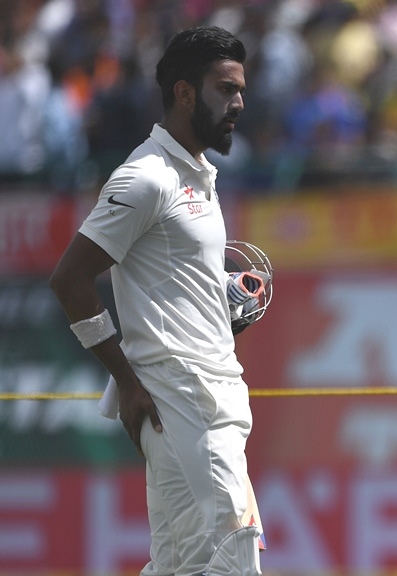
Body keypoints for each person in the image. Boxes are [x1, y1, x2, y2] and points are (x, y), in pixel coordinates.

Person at [49, 26, 265, 576]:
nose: (239, 102)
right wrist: (123, 377)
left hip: (203, 394)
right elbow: (71, 279)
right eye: (225, 89)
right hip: (184, 395)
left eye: (241, 88)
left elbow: (170, 282)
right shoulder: (146, 177)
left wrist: (223, 305)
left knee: (181, 567)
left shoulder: (199, 174)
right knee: (236, 557)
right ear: (184, 93)